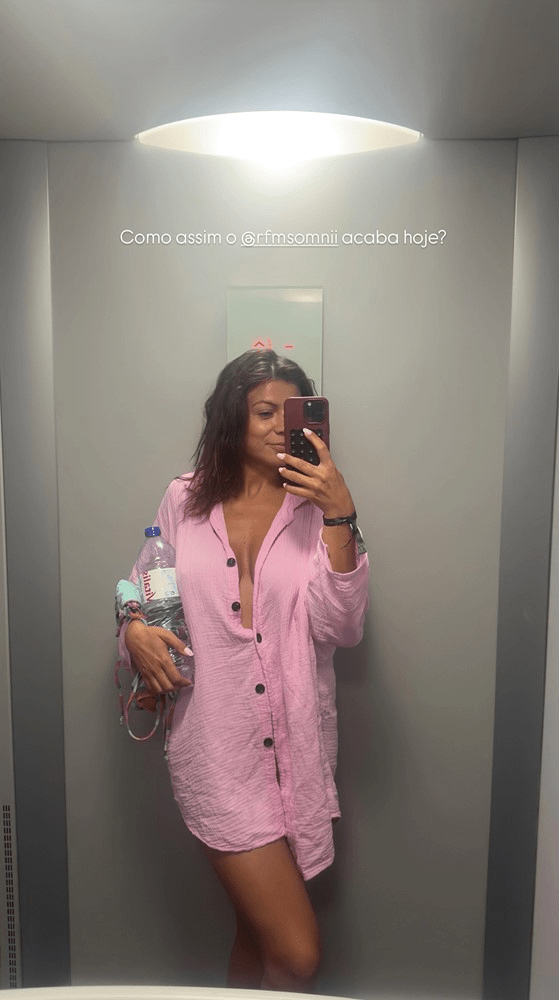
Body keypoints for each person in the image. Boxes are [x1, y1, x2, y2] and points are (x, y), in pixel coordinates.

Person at [115, 349, 369, 993]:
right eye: (263, 412)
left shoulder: (315, 511)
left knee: (256, 936)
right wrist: (133, 629)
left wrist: (340, 513)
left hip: (295, 754)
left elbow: (341, 626)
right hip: (217, 753)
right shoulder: (185, 498)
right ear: (232, 417)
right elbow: (145, 588)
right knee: (297, 953)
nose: (280, 426)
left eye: (291, 413)